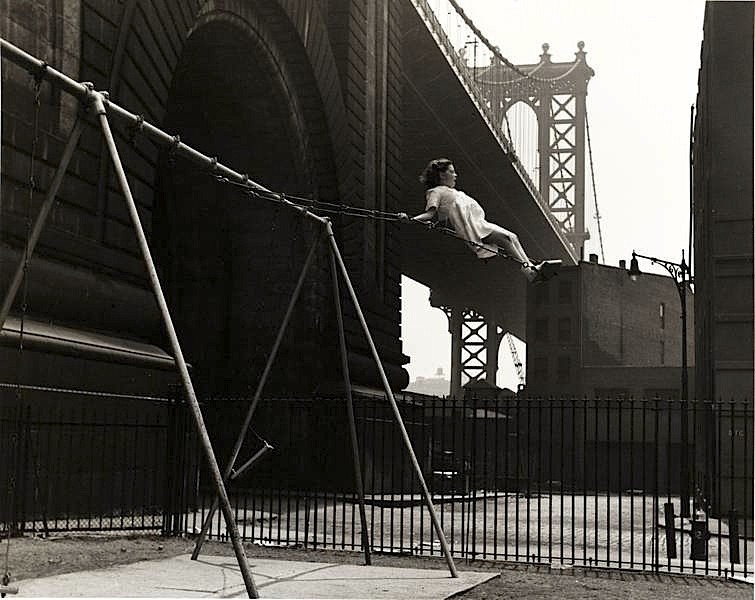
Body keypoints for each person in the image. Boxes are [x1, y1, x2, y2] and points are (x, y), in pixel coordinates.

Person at [398, 158, 556, 283]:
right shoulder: (435, 192)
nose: (455, 175)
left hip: (479, 222)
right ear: (441, 175)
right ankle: (529, 271)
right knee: (506, 239)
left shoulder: (452, 191)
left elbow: (441, 216)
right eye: (452, 172)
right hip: (472, 227)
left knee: (512, 237)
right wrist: (411, 219)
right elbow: (430, 213)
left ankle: (531, 268)